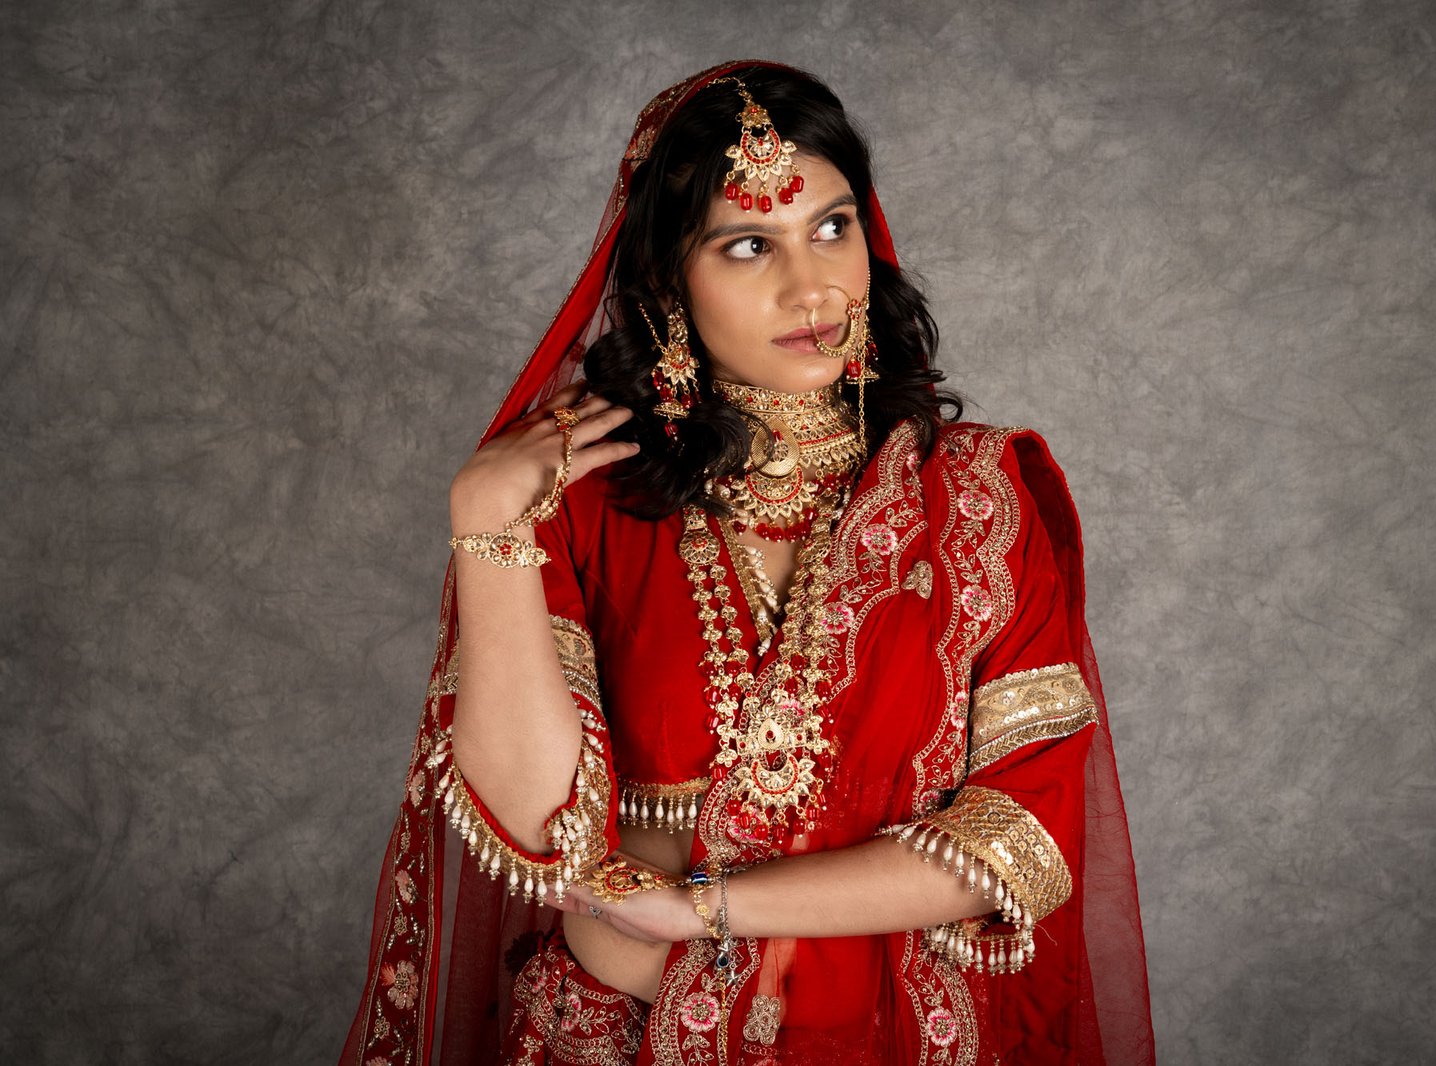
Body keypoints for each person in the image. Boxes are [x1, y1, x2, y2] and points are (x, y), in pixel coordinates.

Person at [341, 61, 1153, 1065]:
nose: (812, 287)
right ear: (665, 280)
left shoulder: (978, 498)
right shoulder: (584, 498)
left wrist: (706, 908)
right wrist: (485, 525)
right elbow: (538, 828)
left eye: (832, 227)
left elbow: (1019, 836)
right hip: (613, 1036)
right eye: (749, 245)